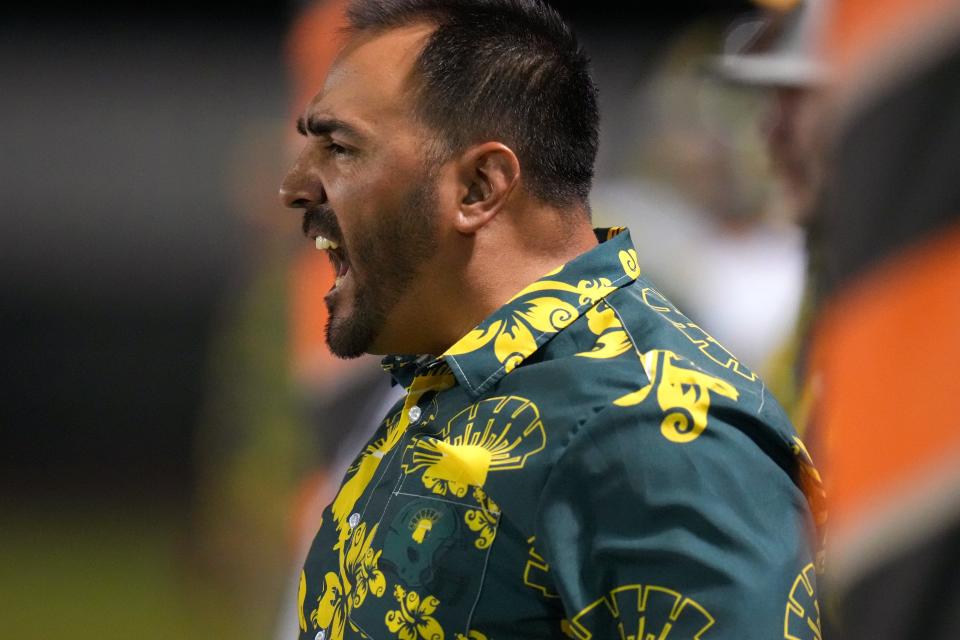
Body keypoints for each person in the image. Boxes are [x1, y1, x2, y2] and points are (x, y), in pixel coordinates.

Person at [278, 1, 823, 638]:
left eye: (342, 148)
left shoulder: (653, 433)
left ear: (480, 186)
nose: (295, 187)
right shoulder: (454, 385)